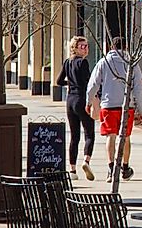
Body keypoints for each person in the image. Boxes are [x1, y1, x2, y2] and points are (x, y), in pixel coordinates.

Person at [91, 37, 136, 179]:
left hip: (108, 104)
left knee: (111, 136)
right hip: (126, 105)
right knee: (126, 137)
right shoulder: (131, 63)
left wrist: (89, 102)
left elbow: (93, 84)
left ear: (111, 46)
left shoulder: (103, 62)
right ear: (126, 46)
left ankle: (111, 167)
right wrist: (140, 107)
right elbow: (139, 87)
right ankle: (125, 167)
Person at [57, 35, 95, 178]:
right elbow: (89, 82)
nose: (85, 49)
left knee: (74, 136)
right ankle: (86, 160)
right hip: (81, 99)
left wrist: (70, 84)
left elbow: (59, 81)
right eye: (82, 46)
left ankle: (72, 170)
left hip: (70, 100)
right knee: (89, 133)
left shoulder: (67, 62)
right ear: (75, 48)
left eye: (86, 46)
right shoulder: (83, 63)